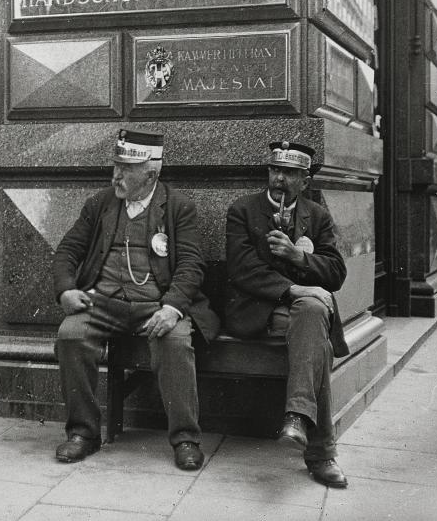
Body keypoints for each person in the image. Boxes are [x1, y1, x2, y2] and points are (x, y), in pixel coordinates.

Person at [53, 128, 219, 470]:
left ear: (151, 174)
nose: (116, 175)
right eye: (115, 165)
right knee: (71, 335)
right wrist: (67, 289)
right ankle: (83, 433)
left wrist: (172, 308)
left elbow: (191, 265)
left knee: (174, 341)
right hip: (103, 304)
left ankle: (185, 438)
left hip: (156, 305)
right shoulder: (100, 204)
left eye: (126, 168)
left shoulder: (177, 207)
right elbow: (68, 250)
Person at [223, 140, 350, 488]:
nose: (279, 179)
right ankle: (321, 453)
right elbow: (241, 269)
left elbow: (336, 272)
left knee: (312, 320)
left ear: (305, 181)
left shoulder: (317, 215)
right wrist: (295, 288)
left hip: (301, 315)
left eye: (290, 173)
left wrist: (298, 258)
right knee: (318, 341)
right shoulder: (243, 210)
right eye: (275, 170)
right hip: (258, 311)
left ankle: (297, 416)